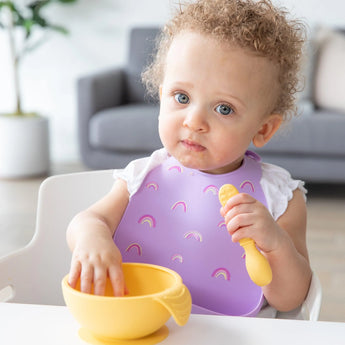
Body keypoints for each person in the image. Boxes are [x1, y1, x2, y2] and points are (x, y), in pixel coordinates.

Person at [67, 0, 312, 317]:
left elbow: (290, 300)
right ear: (161, 93)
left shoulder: (280, 198)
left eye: (224, 108)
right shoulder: (143, 175)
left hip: (232, 335)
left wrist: (275, 242)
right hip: (135, 322)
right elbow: (87, 220)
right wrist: (92, 238)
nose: (194, 121)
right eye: (181, 97)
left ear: (263, 128)